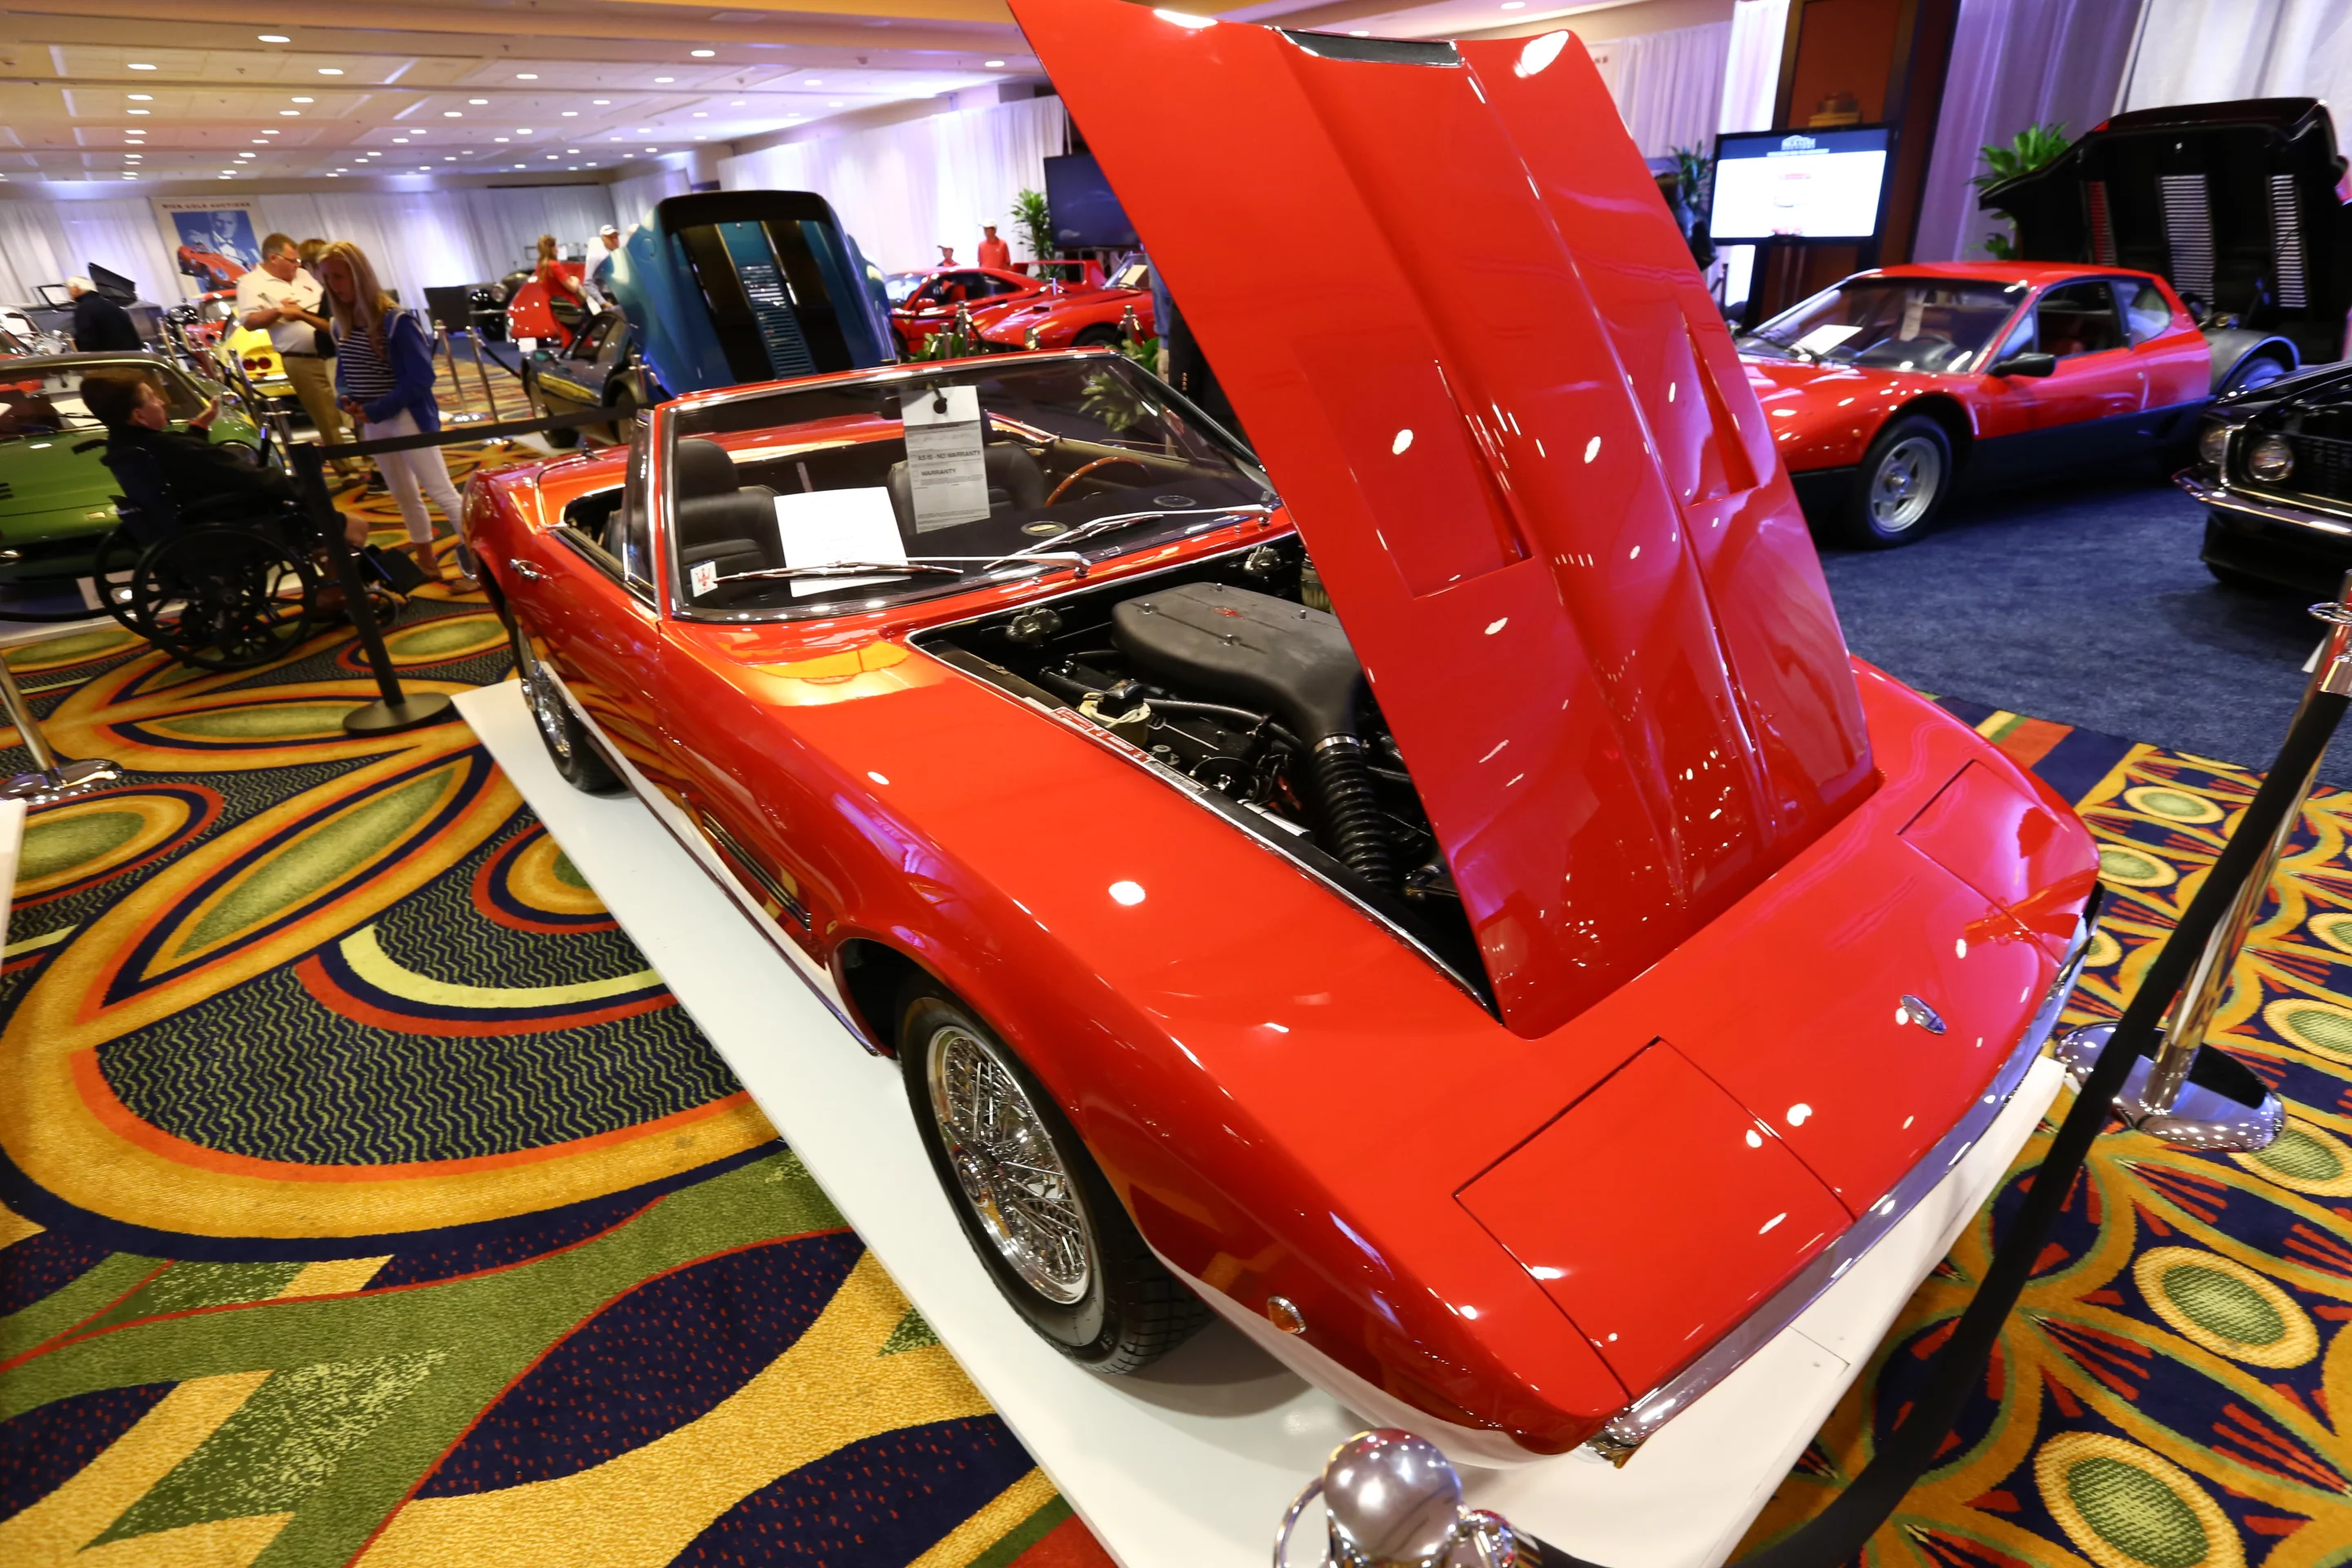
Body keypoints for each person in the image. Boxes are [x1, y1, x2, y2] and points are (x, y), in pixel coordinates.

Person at [318, 240, 479, 590]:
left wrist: (376, 409)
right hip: (374, 421)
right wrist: (346, 400)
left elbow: (421, 378)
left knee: (441, 491)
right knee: (403, 495)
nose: (333, 285)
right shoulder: (339, 324)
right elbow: (345, 372)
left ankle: (480, 568)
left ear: (358, 276)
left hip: (406, 416)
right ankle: (427, 563)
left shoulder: (395, 320)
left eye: (339, 276)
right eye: (327, 278)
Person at [80, 367, 363, 547]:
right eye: (153, 398)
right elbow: (241, 475)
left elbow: (185, 461)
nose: (163, 401)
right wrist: (302, 480)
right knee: (353, 524)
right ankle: (337, 594)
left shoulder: (123, 445)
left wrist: (199, 427)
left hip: (185, 527)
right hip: (228, 524)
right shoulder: (166, 447)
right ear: (139, 415)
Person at [235, 231, 358, 480]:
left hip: (336, 352)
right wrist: (280, 311)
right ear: (273, 258)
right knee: (326, 417)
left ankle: (372, 458)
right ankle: (347, 471)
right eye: (292, 261)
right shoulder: (250, 283)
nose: (297, 266)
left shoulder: (308, 274)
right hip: (300, 358)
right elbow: (249, 322)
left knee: (354, 408)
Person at [69, 277, 143, 352]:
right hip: (131, 356)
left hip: (108, 359)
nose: (69, 294)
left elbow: (87, 340)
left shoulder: (83, 308)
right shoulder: (111, 304)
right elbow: (133, 334)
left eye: (69, 289)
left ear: (76, 289)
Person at [590, 224, 621, 302]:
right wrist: (602, 302)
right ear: (604, 239)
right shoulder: (597, 257)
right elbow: (588, 283)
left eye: (616, 237)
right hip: (608, 296)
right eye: (611, 238)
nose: (615, 240)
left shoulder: (620, 255)